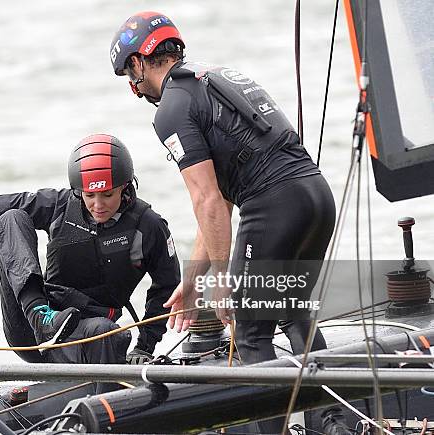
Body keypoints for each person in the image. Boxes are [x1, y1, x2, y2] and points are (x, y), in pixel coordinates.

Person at [109, 11, 336, 370]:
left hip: (273, 206)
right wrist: (194, 278)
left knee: (250, 335)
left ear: (138, 62)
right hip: (316, 196)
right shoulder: (212, 78)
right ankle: (332, 424)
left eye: (129, 75)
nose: (134, 88)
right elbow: (220, 199)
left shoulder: (171, 108)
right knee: (292, 310)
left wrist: (222, 279)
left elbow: (208, 200)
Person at [0, 134, 180, 366]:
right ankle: (41, 316)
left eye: (107, 195)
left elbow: (167, 286)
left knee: (110, 334)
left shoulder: (149, 225)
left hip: (87, 332)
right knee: (11, 217)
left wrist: (145, 346)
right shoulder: (59, 205)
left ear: (125, 187)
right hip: (30, 330)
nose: (98, 205)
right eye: (89, 195)